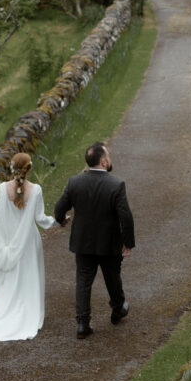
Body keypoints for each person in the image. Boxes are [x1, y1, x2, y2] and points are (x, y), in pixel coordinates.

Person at [0, 152, 56, 341]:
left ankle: (4, 312)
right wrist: (56, 221)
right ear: (29, 168)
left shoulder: (1, 188)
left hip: (9, 242)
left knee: (11, 280)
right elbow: (41, 219)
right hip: (29, 243)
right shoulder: (36, 190)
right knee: (30, 276)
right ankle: (30, 311)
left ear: (11, 168)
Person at [54, 142, 135, 339]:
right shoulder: (116, 185)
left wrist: (61, 220)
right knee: (112, 277)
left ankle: (83, 323)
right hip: (109, 243)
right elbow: (126, 217)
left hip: (83, 243)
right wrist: (128, 242)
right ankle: (118, 309)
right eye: (108, 155)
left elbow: (59, 208)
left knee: (83, 281)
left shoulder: (75, 182)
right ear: (104, 161)